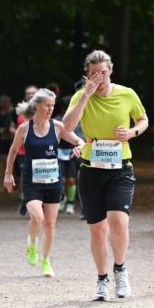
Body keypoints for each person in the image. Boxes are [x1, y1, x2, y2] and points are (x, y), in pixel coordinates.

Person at [63, 49, 148, 301]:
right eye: (93, 74)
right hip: (91, 168)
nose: (99, 78)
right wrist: (85, 96)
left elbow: (142, 119)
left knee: (119, 221)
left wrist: (132, 133)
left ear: (110, 71)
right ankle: (102, 279)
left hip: (120, 166)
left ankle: (120, 269)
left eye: (102, 72)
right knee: (98, 230)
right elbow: (66, 127)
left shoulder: (127, 93)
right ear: (87, 76)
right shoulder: (82, 95)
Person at [4, 88, 83, 277]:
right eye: (47, 105)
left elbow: (78, 140)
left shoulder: (57, 127)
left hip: (53, 182)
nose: (50, 109)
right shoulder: (24, 128)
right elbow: (13, 151)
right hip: (32, 182)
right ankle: (32, 244)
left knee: (50, 224)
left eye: (52, 105)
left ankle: (46, 261)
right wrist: (8, 174)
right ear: (37, 106)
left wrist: (79, 146)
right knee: (37, 217)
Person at [58, 79, 86, 216]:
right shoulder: (60, 119)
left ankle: (76, 205)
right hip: (63, 151)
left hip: (83, 149)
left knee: (76, 178)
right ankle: (63, 200)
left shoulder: (89, 111)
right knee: (62, 178)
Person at [15, 85, 38, 216]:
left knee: (38, 177)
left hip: (39, 150)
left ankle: (31, 203)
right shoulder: (19, 110)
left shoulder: (43, 108)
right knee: (25, 177)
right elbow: (12, 127)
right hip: (23, 151)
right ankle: (26, 200)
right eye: (28, 93)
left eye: (33, 93)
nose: (30, 95)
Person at [0, 95, 17, 179]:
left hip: (12, 140)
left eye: (6, 102)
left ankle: (15, 182)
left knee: (12, 163)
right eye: (3, 103)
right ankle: (7, 183)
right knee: (4, 162)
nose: (4, 104)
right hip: (1, 141)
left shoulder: (14, 113)